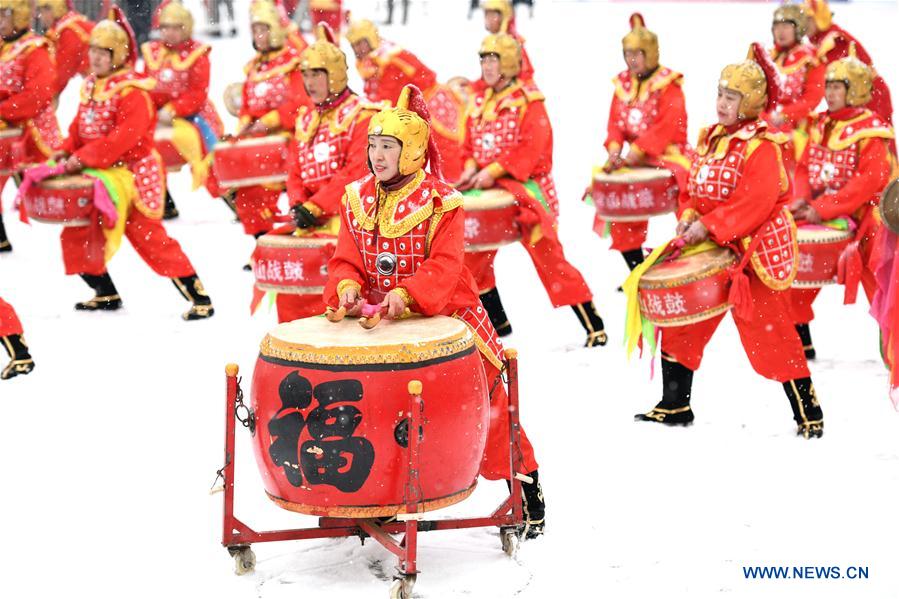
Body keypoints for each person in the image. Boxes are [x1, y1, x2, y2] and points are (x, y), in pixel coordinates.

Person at [323, 84, 545, 537]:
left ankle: (525, 486)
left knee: (486, 408)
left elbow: (446, 266)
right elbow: (345, 258)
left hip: (450, 318)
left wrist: (407, 295)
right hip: (384, 322)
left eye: (388, 147)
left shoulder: (442, 202)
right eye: (373, 146)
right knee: (377, 410)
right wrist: (347, 287)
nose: (378, 156)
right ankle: (382, 495)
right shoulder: (355, 198)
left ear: (412, 152)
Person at [633, 44, 823, 439]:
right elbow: (694, 188)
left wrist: (711, 225)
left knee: (771, 332)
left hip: (755, 251)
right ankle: (675, 403)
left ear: (750, 101)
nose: (722, 103)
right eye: (720, 94)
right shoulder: (712, 137)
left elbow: (756, 201)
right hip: (718, 244)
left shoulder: (763, 145)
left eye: (731, 97)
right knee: (684, 318)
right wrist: (689, 215)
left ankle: (808, 411)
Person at [54, 6, 214, 320]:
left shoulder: (133, 92)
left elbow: (121, 140)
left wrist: (82, 157)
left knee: (149, 239)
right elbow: (79, 126)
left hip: (132, 175)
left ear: (117, 55)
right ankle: (105, 292)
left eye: (104, 52)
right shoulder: (91, 85)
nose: (97, 58)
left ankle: (199, 297)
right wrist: (67, 149)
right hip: (99, 175)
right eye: (93, 51)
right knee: (78, 231)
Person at [458, 33, 607, 346]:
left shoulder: (529, 102)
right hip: (488, 193)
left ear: (509, 63)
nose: (486, 66)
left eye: (493, 59)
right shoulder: (479, 100)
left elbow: (532, 149)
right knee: (472, 259)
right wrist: (472, 167)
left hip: (528, 195)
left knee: (550, 260)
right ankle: (497, 325)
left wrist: (495, 170)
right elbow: (469, 141)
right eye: (483, 59)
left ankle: (594, 325)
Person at [267, 23, 381, 323]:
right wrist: (297, 202)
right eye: (305, 74)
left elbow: (355, 172)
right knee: (293, 296)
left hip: (352, 221)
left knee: (339, 296)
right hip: (309, 218)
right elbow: (295, 169)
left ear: (335, 75)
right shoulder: (306, 118)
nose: (310, 81)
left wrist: (316, 206)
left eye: (317, 73)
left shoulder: (362, 115)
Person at [789, 52, 894, 358]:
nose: (831, 93)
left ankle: (893, 343)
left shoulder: (870, 129)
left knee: (881, 276)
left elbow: (868, 181)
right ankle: (799, 338)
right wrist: (802, 199)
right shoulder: (820, 124)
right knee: (796, 266)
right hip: (822, 210)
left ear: (855, 90)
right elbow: (804, 167)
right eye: (829, 86)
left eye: (839, 87)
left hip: (865, 215)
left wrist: (823, 208)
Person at [599, 13, 690, 273]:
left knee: (688, 196)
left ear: (650, 54)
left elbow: (667, 127)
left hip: (670, 156)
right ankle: (637, 269)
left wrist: (637, 151)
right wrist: (616, 150)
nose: (632, 59)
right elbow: (614, 123)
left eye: (637, 53)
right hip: (635, 159)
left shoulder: (669, 84)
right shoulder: (623, 84)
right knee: (622, 200)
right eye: (627, 53)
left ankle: (690, 255)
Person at [228, 0, 310, 244]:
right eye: (254, 30)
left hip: (289, 136)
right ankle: (263, 240)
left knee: (266, 183)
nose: (258, 35)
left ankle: (287, 237)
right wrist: (244, 122)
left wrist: (269, 121)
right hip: (258, 139)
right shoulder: (254, 67)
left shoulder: (293, 62)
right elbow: (246, 102)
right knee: (245, 191)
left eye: (262, 29)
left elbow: (300, 103)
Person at [140, 0, 225, 219]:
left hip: (193, 115)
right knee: (141, 146)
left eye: (176, 27)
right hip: (157, 115)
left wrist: (172, 110)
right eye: (165, 27)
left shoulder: (198, 53)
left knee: (209, 153)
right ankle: (161, 200)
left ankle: (231, 196)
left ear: (185, 28)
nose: (170, 33)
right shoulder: (152, 52)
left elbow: (197, 93)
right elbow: (145, 85)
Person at [0, 0, 62, 253]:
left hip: (30, 133)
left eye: (4, 16)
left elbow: (36, 96)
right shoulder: (4, 46)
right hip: (7, 129)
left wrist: (4, 110)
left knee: (51, 191)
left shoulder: (35, 49)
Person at [804, 0, 894, 141]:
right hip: (860, 97)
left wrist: (802, 108)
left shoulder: (834, 40)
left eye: (808, 18)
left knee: (875, 149)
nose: (804, 23)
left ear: (819, 17)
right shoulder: (821, 39)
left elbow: (832, 82)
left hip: (869, 96)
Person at [765, 3, 824, 179]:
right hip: (768, 120)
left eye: (786, 26)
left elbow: (813, 97)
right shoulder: (768, 56)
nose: (780, 31)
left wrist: (786, 115)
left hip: (799, 124)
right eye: (776, 26)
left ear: (798, 28)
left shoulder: (810, 58)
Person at [36, 0, 94, 98]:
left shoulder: (69, 31)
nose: (41, 16)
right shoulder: (69, 26)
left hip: (87, 84)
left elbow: (63, 71)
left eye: (44, 11)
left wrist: (45, 95)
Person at [0, 297, 34, 380]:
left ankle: (22, 363)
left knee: (15, 346)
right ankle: (22, 362)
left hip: (7, 325)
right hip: (9, 323)